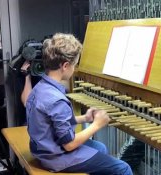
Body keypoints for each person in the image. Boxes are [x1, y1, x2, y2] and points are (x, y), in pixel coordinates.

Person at [26, 33, 133, 175]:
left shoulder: (39, 88)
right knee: (123, 168)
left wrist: (84, 118)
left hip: (42, 149)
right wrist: (97, 125)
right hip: (56, 157)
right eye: (74, 65)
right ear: (65, 66)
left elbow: (51, 123)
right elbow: (69, 145)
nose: (74, 69)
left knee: (100, 147)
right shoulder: (56, 99)